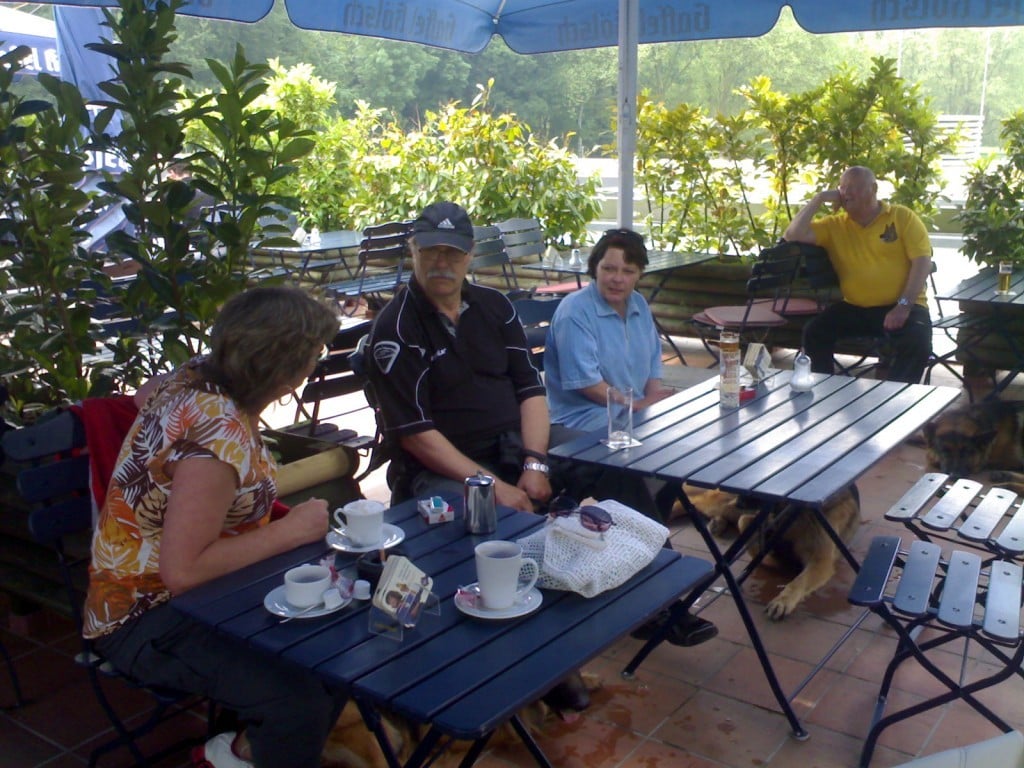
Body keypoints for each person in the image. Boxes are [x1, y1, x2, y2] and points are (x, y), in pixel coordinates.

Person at [366, 202, 716, 655]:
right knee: (487, 516)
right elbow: (416, 435)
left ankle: (661, 601)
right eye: (431, 251)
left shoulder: (493, 307)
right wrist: (495, 486)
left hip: (516, 444)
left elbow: (531, 391)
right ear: (413, 250)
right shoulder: (395, 328)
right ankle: (526, 647)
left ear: (469, 255)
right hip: (441, 470)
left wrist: (534, 462)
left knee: (610, 461)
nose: (441, 262)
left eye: (452, 253)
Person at [83, 286, 345, 768]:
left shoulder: (193, 377)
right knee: (299, 700)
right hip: (145, 616)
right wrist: (291, 531)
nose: (315, 365)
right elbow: (183, 573)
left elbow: (142, 396)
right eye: (313, 355)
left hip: (208, 592)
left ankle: (238, 752)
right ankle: (241, 752)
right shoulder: (215, 439)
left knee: (334, 646)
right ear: (282, 370)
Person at [783, 165, 932, 383]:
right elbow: (792, 234)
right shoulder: (834, 225)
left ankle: (898, 397)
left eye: (853, 187)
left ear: (873, 188)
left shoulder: (902, 217)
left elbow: (922, 263)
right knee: (815, 331)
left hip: (903, 305)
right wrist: (819, 198)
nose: (846, 193)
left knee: (917, 342)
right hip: (856, 307)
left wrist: (903, 306)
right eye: (842, 188)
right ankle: (825, 389)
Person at [545, 228, 675, 432]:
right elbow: (587, 383)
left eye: (628, 271)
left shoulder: (639, 304)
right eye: (609, 269)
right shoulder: (574, 311)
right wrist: (636, 405)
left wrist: (652, 401)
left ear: (639, 274)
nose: (618, 279)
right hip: (584, 418)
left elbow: (653, 364)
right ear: (595, 269)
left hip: (632, 411)